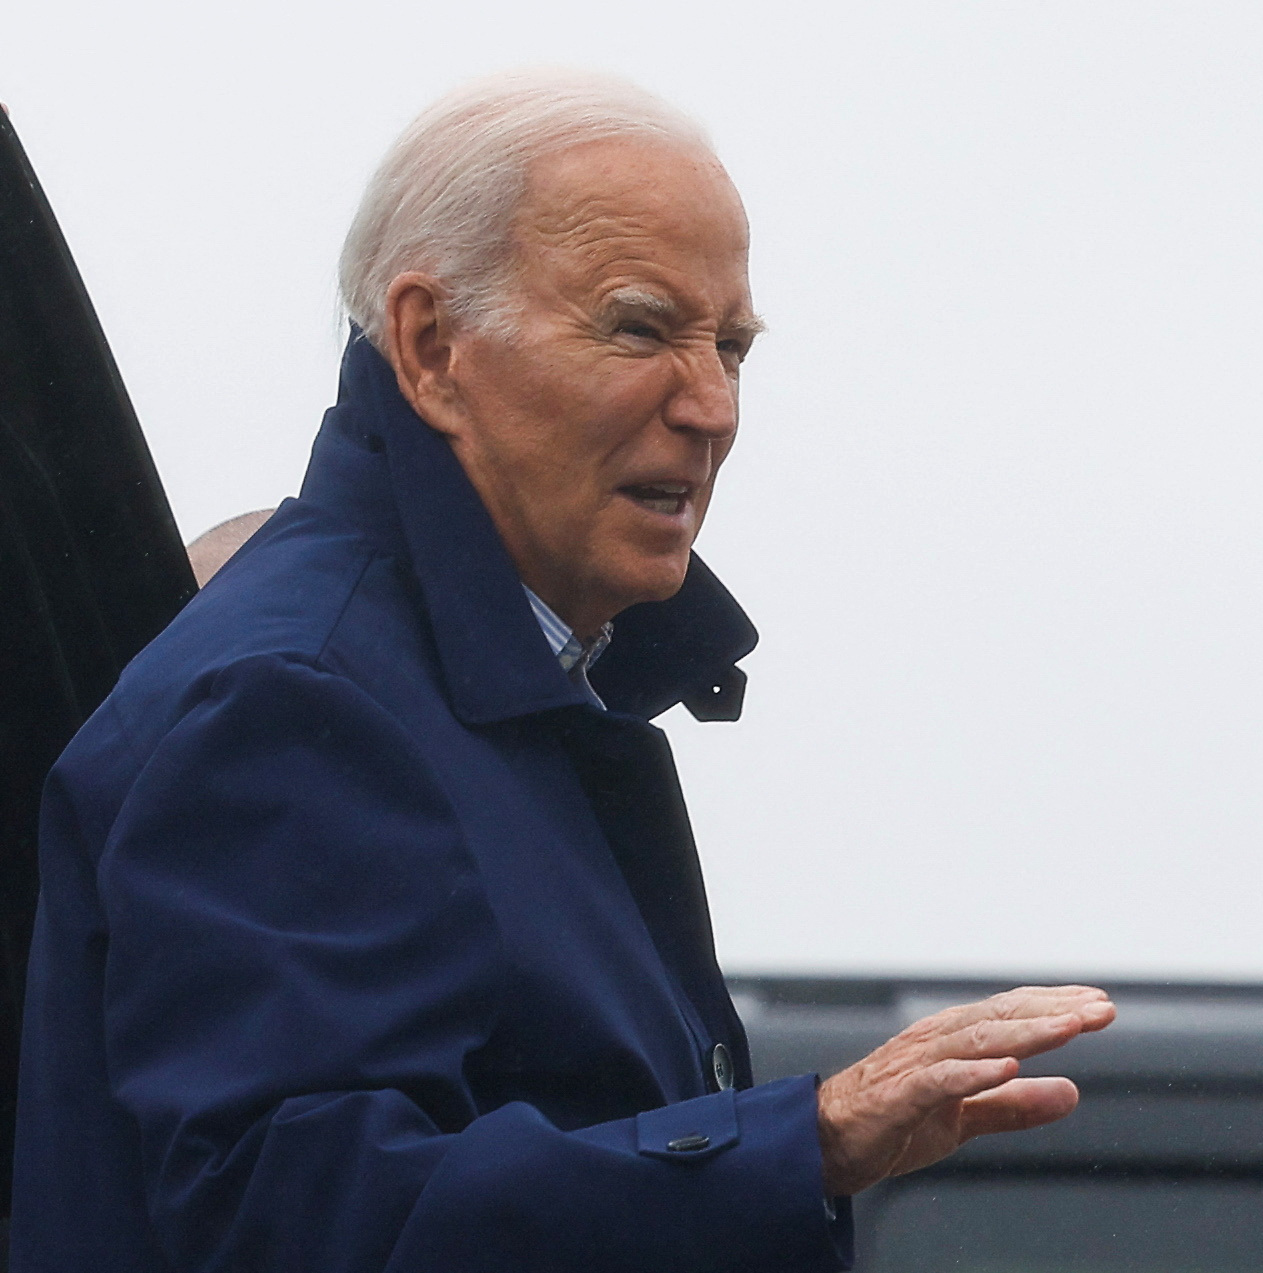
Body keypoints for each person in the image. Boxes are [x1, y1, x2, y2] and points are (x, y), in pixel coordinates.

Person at [10, 69, 1114, 1272]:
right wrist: (807, 1137)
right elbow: (300, 1223)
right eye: (640, 327)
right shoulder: (293, 696)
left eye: (732, 346)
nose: (710, 406)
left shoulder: (494, 692)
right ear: (433, 348)